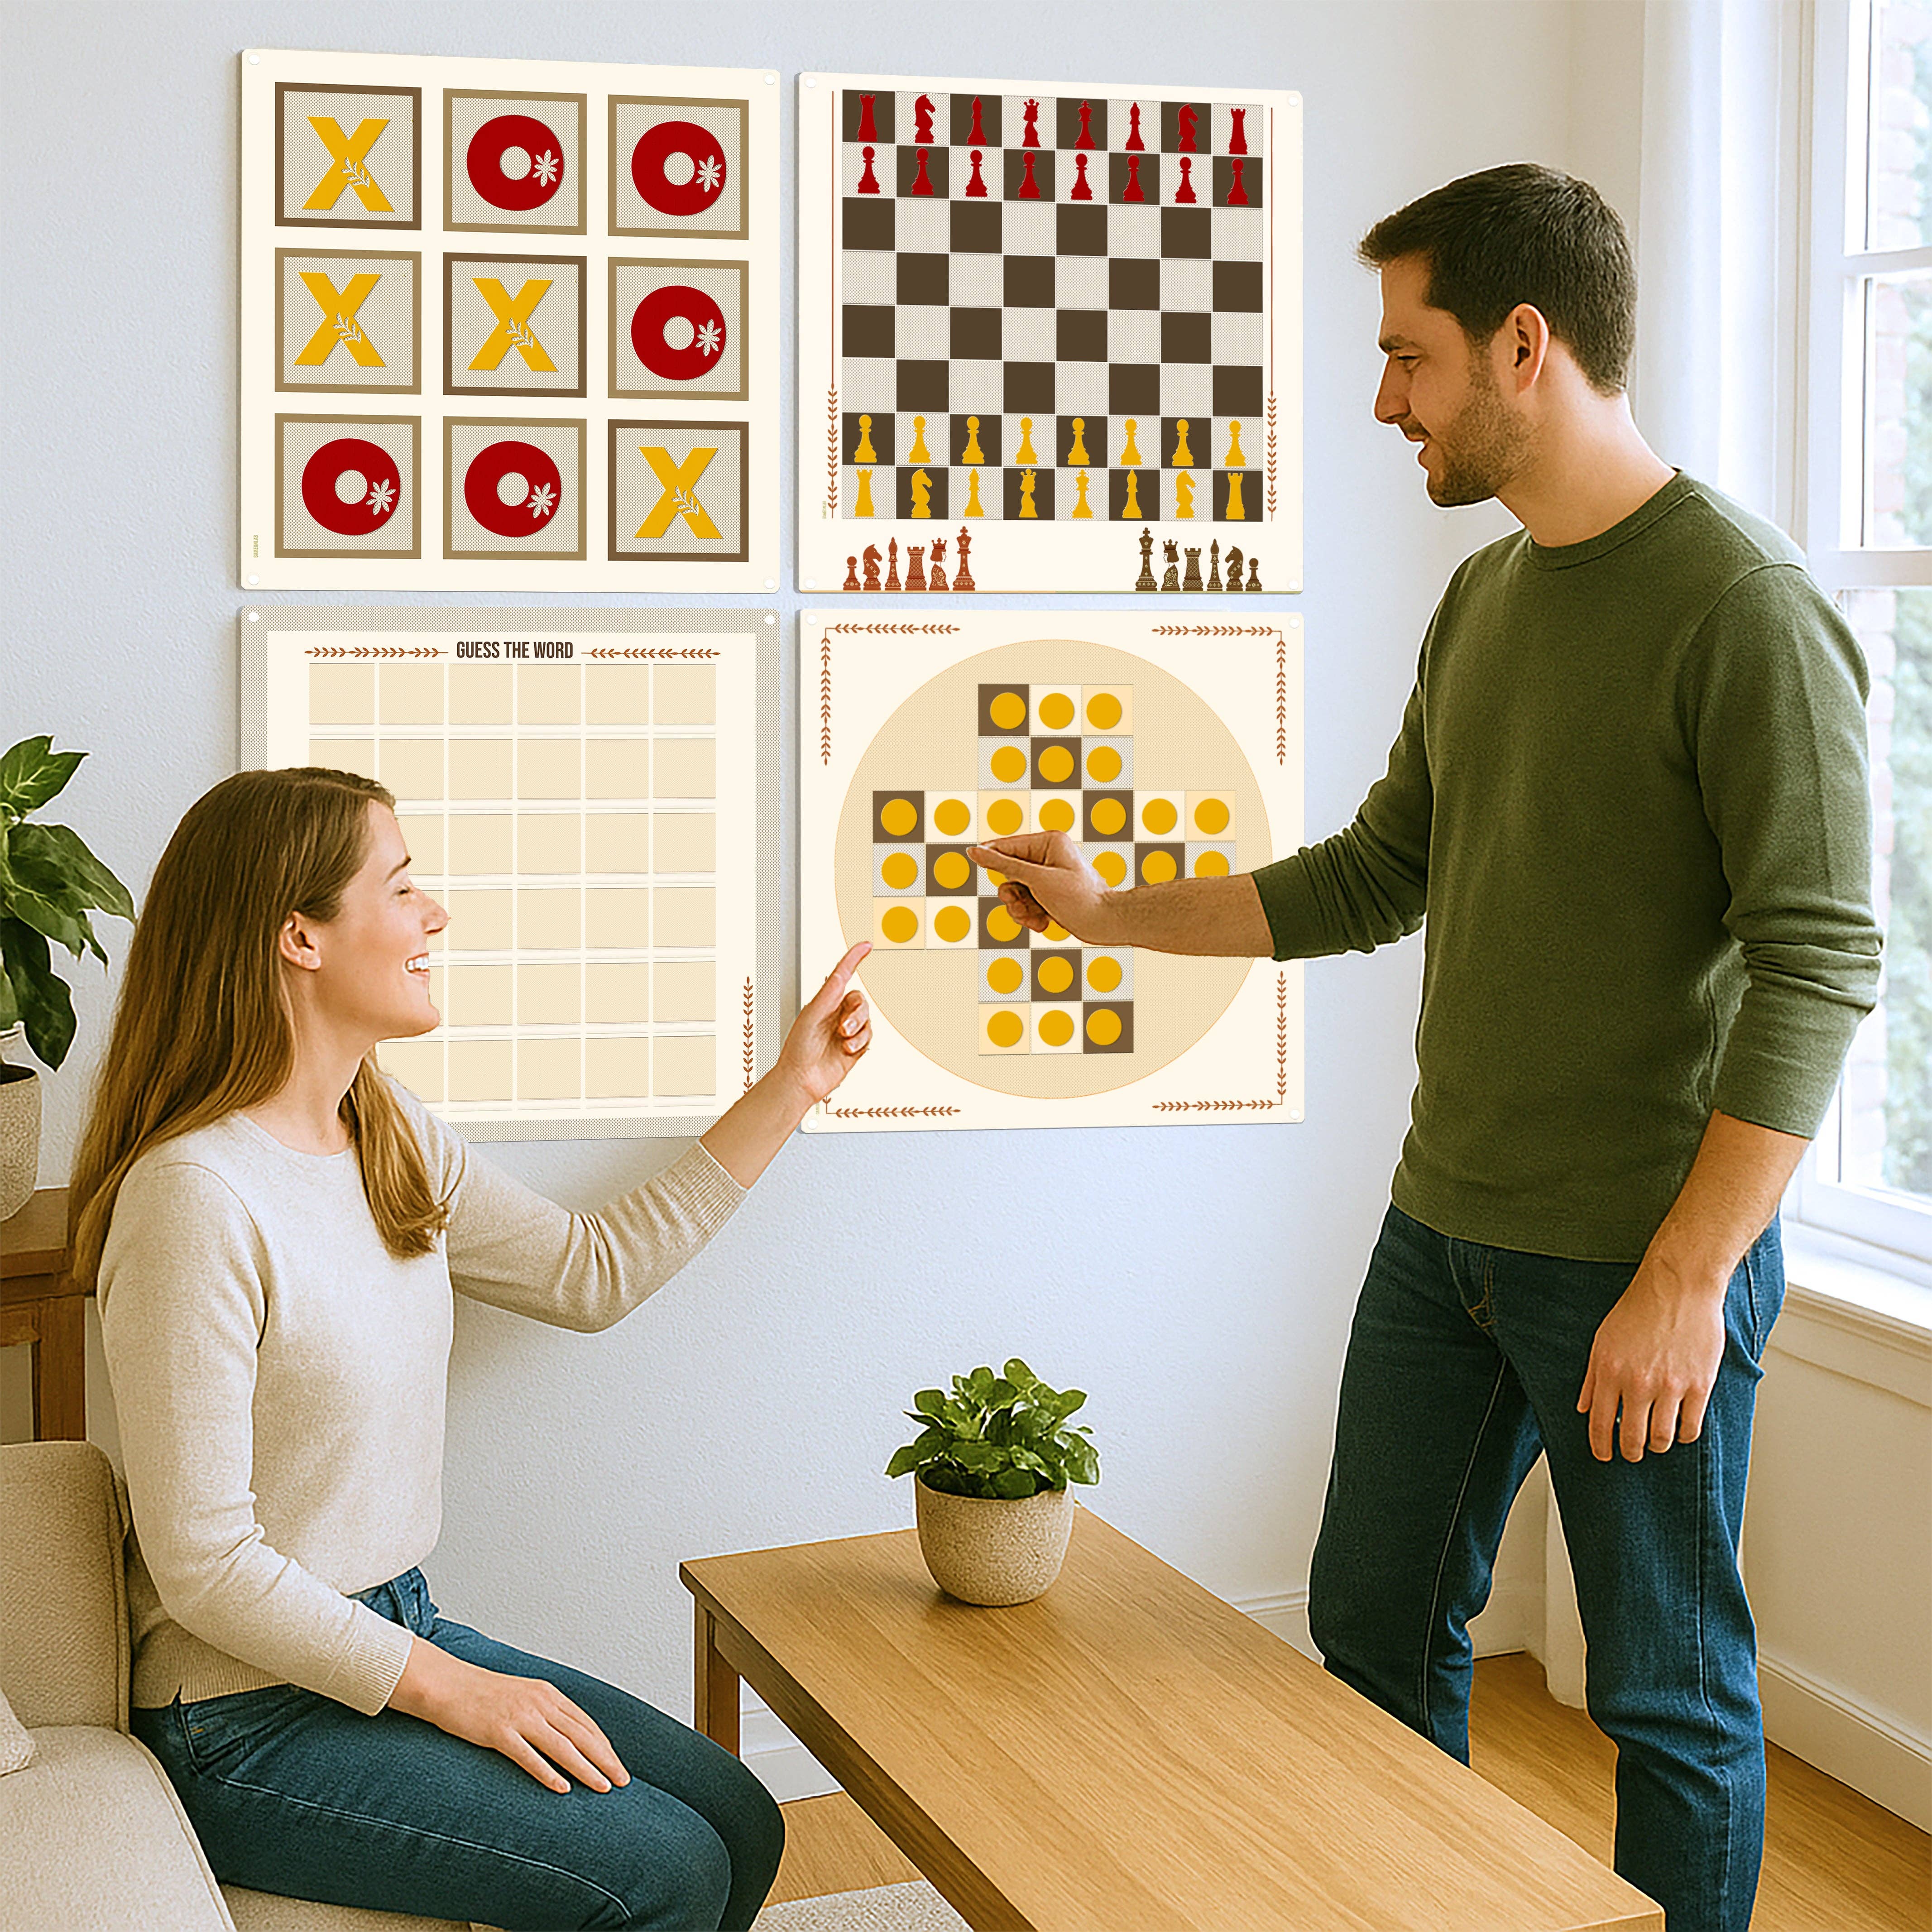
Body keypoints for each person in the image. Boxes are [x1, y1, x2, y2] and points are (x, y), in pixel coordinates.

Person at [970, 164, 1881, 1932]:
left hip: (1631, 1253)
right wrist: (1102, 913)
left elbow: (1819, 960)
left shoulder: (1742, 607)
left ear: (1521, 345)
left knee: (1662, 1692)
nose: (1384, 399)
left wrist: (1686, 1276)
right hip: (1441, 1231)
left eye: (1409, 355)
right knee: (1371, 1624)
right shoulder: (1482, 600)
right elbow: (1377, 872)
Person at [72, 766, 874, 1931]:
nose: (435, 914)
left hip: (398, 1619)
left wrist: (794, 1084)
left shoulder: (385, 1129)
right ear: (300, 935)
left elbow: (589, 1272)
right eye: (401, 887)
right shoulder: (194, 1197)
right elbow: (205, 1565)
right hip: (239, 1715)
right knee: (664, 1870)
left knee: (741, 1820)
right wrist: (457, 1692)